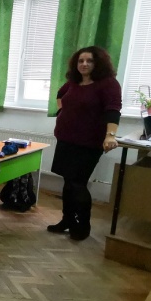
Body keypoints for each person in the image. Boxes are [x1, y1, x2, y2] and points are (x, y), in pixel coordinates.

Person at [50, 46, 121, 240]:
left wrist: (110, 135)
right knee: (68, 181)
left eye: (89, 61)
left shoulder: (108, 84)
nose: (84, 64)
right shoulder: (74, 82)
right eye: (81, 61)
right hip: (66, 139)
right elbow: (60, 94)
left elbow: (113, 110)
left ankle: (82, 226)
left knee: (78, 183)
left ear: (98, 63)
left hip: (88, 143)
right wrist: (62, 112)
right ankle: (67, 220)